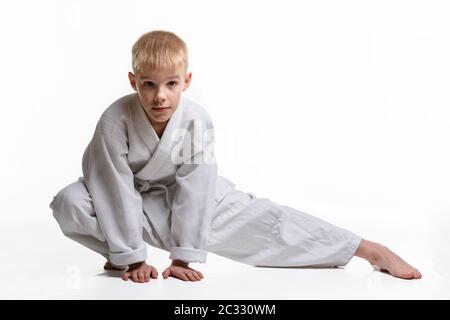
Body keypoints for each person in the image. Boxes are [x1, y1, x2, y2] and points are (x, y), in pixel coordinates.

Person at [50, 30, 422, 283]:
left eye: (171, 84)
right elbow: (111, 186)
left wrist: (183, 256)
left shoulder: (195, 120)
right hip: (130, 198)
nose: (159, 96)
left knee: (267, 224)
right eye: (148, 84)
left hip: (188, 198)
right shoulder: (114, 120)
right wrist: (132, 256)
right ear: (134, 82)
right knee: (70, 203)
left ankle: (368, 249)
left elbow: (195, 186)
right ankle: (121, 257)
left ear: (187, 80)